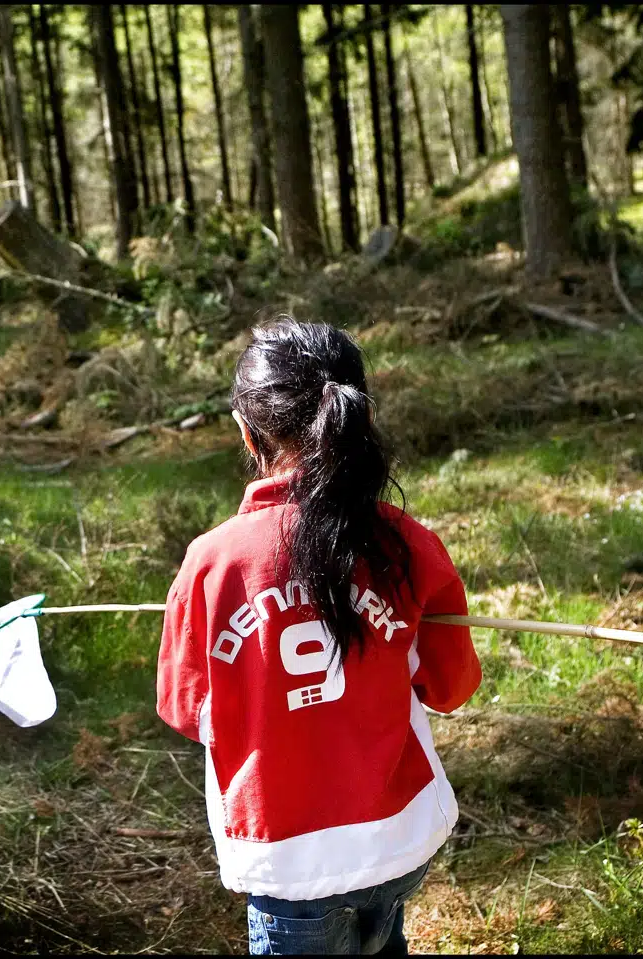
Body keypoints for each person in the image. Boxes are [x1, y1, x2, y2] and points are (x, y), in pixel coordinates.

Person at [155, 318, 481, 956]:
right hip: (398, 837)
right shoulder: (407, 545)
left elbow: (183, 708)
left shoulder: (211, 563)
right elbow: (452, 687)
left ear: (247, 431)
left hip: (288, 862)